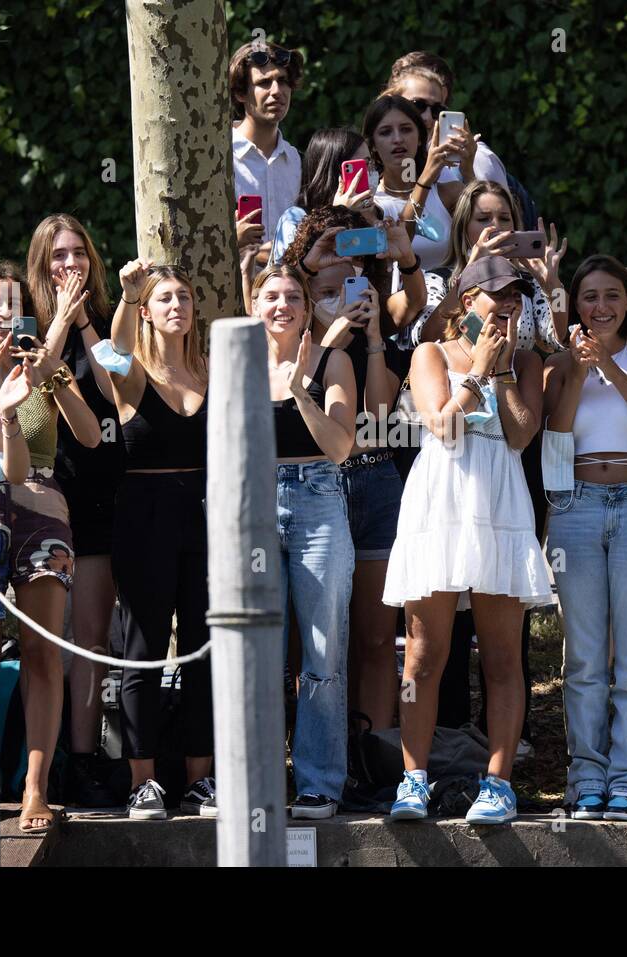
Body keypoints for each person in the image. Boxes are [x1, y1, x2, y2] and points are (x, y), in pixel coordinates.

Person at [383, 256, 548, 825]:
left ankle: (498, 784)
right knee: (424, 658)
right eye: (495, 294)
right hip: (440, 504)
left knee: (503, 658)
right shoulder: (429, 353)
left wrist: (499, 373)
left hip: (498, 506)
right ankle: (412, 779)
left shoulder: (527, 362)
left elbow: (522, 435)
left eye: (516, 296)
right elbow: (443, 426)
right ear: (466, 298)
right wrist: (476, 371)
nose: (507, 305)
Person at [542, 255, 627, 820]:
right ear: (575, 305)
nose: (600, 307)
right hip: (576, 503)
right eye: (589, 297)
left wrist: (613, 368)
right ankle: (586, 776)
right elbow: (556, 432)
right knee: (584, 657)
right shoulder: (559, 362)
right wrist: (578, 371)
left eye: (612, 296)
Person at [0, 261, 101, 833]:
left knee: (45, 653)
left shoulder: (39, 365)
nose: (2, 312)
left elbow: (92, 435)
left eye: (11, 302)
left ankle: (35, 787)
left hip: (43, 513)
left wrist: (52, 373)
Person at [281, 207, 423, 730]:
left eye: (351, 247)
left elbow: (381, 417)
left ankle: (374, 749)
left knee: (377, 635)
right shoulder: (292, 312)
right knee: (312, 636)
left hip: (375, 474)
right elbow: (276, 294)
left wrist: (371, 336)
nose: (340, 259)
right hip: (317, 481)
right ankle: (315, 748)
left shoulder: (374, 312)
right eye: (327, 249)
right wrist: (309, 273)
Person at [104, 262, 216, 820]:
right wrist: (127, 297)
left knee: (203, 644)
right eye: (165, 297)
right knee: (143, 648)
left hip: (204, 515)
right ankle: (142, 780)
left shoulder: (211, 370)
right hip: (144, 517)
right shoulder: (132, 372)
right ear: (147, 311)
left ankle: (201, 779)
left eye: (185, 296)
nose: (178, 305)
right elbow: (114, 353)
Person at [27, 213, 124, 808]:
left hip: (106, 488)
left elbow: (120, 394)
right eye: (59, 256)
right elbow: (35, 385)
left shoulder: (108, 325)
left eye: (79, 254)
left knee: (91, 635)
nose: (71, 265)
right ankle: (43, 759)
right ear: (42, 265)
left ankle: (84, 760)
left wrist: (86, 321)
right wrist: (61, 320)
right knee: (44, 643)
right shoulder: (27, 328)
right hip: (45, 489)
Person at [254, 264, 357, 819]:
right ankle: (262, 777)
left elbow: (341, 447)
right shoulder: (236, 363)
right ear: (254, 304)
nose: (283, 305)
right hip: (255, 504)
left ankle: (318, 782)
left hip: (318, 497)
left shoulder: (332, 360)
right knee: (260, 650)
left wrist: (299, 393)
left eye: (293, 296)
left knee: (322, 649)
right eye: (271, 295)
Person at [412, 179, 567, 350]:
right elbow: (429, 337)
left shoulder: (527, 281)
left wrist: (553, 287)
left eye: (504, 218)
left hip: (516, 375)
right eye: (484, 219)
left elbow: (556, 338)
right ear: (463, 228)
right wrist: (470, 273)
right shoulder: (440, 279)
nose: (496, 226)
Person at [363, 94, 475, 272]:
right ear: (373, 145)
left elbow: (489, 228)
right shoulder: (369, 205)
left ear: (421, 138)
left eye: (406, 129)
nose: (397, 139)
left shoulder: (449, 193)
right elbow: (402, 243)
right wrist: (425, 179)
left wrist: (468, 170)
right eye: (385, 132)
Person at [230, 39, 304, 263]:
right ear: (241, 94)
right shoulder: (218, 157)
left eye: (283, 81)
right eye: (264, 82)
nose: (277, 91)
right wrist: (230, 239)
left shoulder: (295, 160)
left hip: (286, 293)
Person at [386, 51, 508, 187]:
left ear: (443, 94)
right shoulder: (382, 158)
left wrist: (468, 173)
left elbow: (497, 207)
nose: (427, 117)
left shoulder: (476, 158)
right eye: (418, 105)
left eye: (436, 109)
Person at [268, 128, 387, 264]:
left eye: (368, 164)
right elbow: (290, 277)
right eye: (357, 167)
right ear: (332, 171)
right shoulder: (296, 219)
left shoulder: (374, 217)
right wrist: (338, 213)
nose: (367, 173)